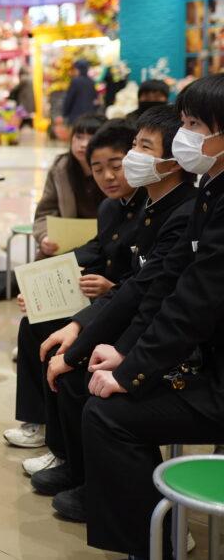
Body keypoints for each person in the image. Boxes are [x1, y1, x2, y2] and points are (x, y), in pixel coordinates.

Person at [76, 74, 224, 558]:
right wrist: (126, 355)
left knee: (109, 416)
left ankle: (156, 545)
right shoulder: (210, 189)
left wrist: (132, 371)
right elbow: (165, 286)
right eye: (184, 122)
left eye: (195, 124)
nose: (185, 135)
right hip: (206, 360)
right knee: (101, 394)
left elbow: (194, 303)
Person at [33, 105, 195, 523]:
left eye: (142, 148)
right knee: (54, 341)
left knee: (88, 382)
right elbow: (135, 286)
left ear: (175, 157)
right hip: (143, 323)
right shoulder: (152, 206)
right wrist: (77, 326)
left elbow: (150, 295)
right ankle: (79, 469)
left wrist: (110, 353)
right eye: (134, 145)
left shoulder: (183, 211)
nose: (131, 159)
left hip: (175, 344)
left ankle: (128, 506)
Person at [5, 120, 142, 452]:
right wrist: (39, 283)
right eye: (98, 169)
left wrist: (110, 286)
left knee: (63, 340)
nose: (107, 176)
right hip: (104, 297)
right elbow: (95, 248)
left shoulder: (152, 208)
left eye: (116, 166)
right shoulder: (110, 206)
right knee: (34, 321)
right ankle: (38, 421)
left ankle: (64, 444)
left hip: (126, 305)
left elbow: (148, 278)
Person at [32, 113, 106, 259]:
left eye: (91, 138)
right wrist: (44, 237)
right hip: (67, 244)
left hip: (103, 243)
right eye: (79, 137)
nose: (83, 144)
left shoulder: (113, 171)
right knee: (39, 263)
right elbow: (44, 213)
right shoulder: (60, 169)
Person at [61, 59, 99, 124]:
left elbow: (69, 98)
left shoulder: (75, 81)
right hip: (89, 116)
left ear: (78, 69)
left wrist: (64, 113)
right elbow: (95, 99)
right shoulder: (91, 81)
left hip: (76, 115)